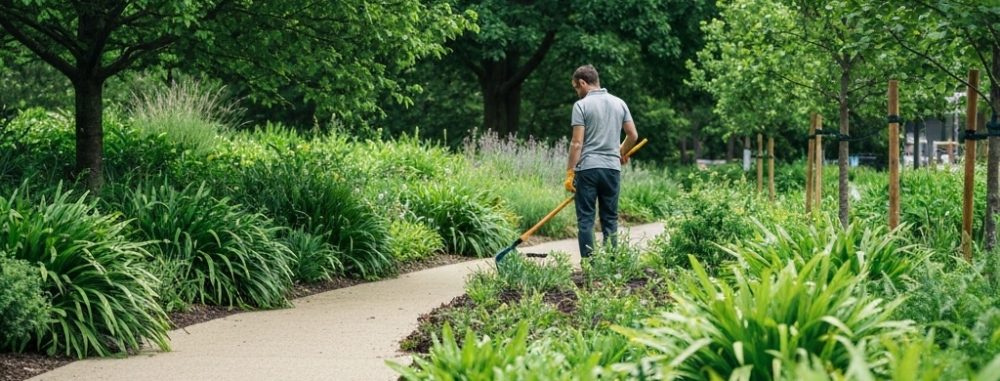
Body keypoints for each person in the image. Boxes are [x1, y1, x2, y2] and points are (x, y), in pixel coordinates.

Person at [564, 64, 638, 258]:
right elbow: (632, 135)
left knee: (586, 220)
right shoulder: (619, 103)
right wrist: (620, 152)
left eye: (576, 87)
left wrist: (570, 172)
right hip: (612, 169)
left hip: (587, 169)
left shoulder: (581, 105)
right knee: (610, 219)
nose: (577, 92)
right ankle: (612, 265)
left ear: (582, 82)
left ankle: (590, 266)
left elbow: (577, 143)